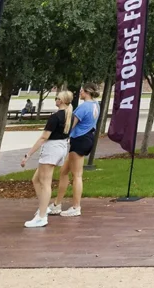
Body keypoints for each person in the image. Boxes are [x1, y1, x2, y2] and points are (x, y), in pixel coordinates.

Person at [19, 90, 74, 228]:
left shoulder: (55, 117)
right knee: (36, 179)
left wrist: (28, 154)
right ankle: (43, 208)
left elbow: (44, 137)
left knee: (45, 182)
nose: (55, 100)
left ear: (60, 101)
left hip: (52, 149)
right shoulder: (69, 116)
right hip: (61, 148)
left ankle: (42, 216)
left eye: (57, 98)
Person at [55, 83, 100, 217]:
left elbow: (70, 126)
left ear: (87, 92)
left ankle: (76, 206)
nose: (79, 93)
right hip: (87, 138)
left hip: (80, 140)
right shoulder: (95, 105)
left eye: (81, 91)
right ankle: (57, 204)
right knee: (63, 171)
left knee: (77, 175)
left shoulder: (83, 107)